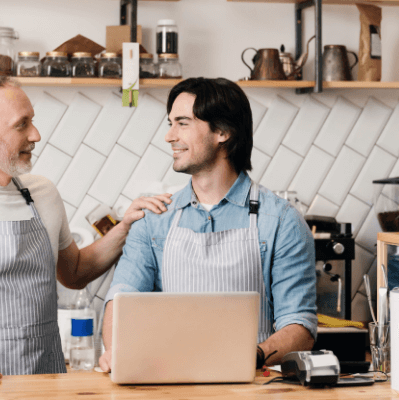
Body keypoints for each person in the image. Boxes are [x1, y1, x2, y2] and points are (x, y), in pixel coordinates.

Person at [0, 75, 171, 386]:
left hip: (44, 381)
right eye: (21, 124)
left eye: (32, 122)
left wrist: (125, 227)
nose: (35, 135)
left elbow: (74, 272)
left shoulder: (43, 193)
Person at [99, 77, 317, 373]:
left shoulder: (281, 221)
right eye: (170, 123)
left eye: (183, 123)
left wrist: (249, 356)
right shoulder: (155, 219)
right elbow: (121, 300)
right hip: (169, 384)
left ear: (223, 132)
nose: (169, 136)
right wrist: (115, 351)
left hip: (252, 387)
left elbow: (300, 325)